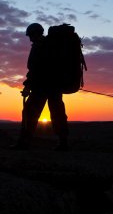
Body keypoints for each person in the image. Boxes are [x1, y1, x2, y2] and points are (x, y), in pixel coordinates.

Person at [12, 23, 69, 151]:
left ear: (35, 33)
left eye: (30, 35)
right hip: (55, 87)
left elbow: (35, 70)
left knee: (29, 113)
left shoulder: (40, 46)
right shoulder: (52, 46)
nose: (30, 39)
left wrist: (28, 86)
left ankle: (23, 143)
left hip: (41, 88)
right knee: (58, 114)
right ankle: (63, 143)